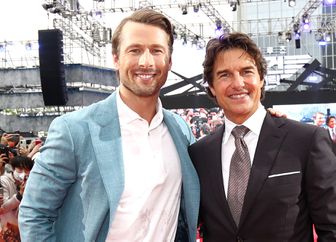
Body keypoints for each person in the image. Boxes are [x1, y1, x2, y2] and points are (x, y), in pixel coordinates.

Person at [18, 9, 200, 242]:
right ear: (116, 58)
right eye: (135, 50)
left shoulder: (180, 130)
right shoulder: (74, 130)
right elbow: (35, 213)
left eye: (156, 51)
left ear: (168, 61)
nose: (146, 62)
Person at [188, 32, 336, 241]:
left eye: (247, 72)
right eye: (224, 75)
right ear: (211, 86)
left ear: (261, 79)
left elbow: (334, 231)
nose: (238, 84)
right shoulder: (200, 153)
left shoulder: (305, 140)